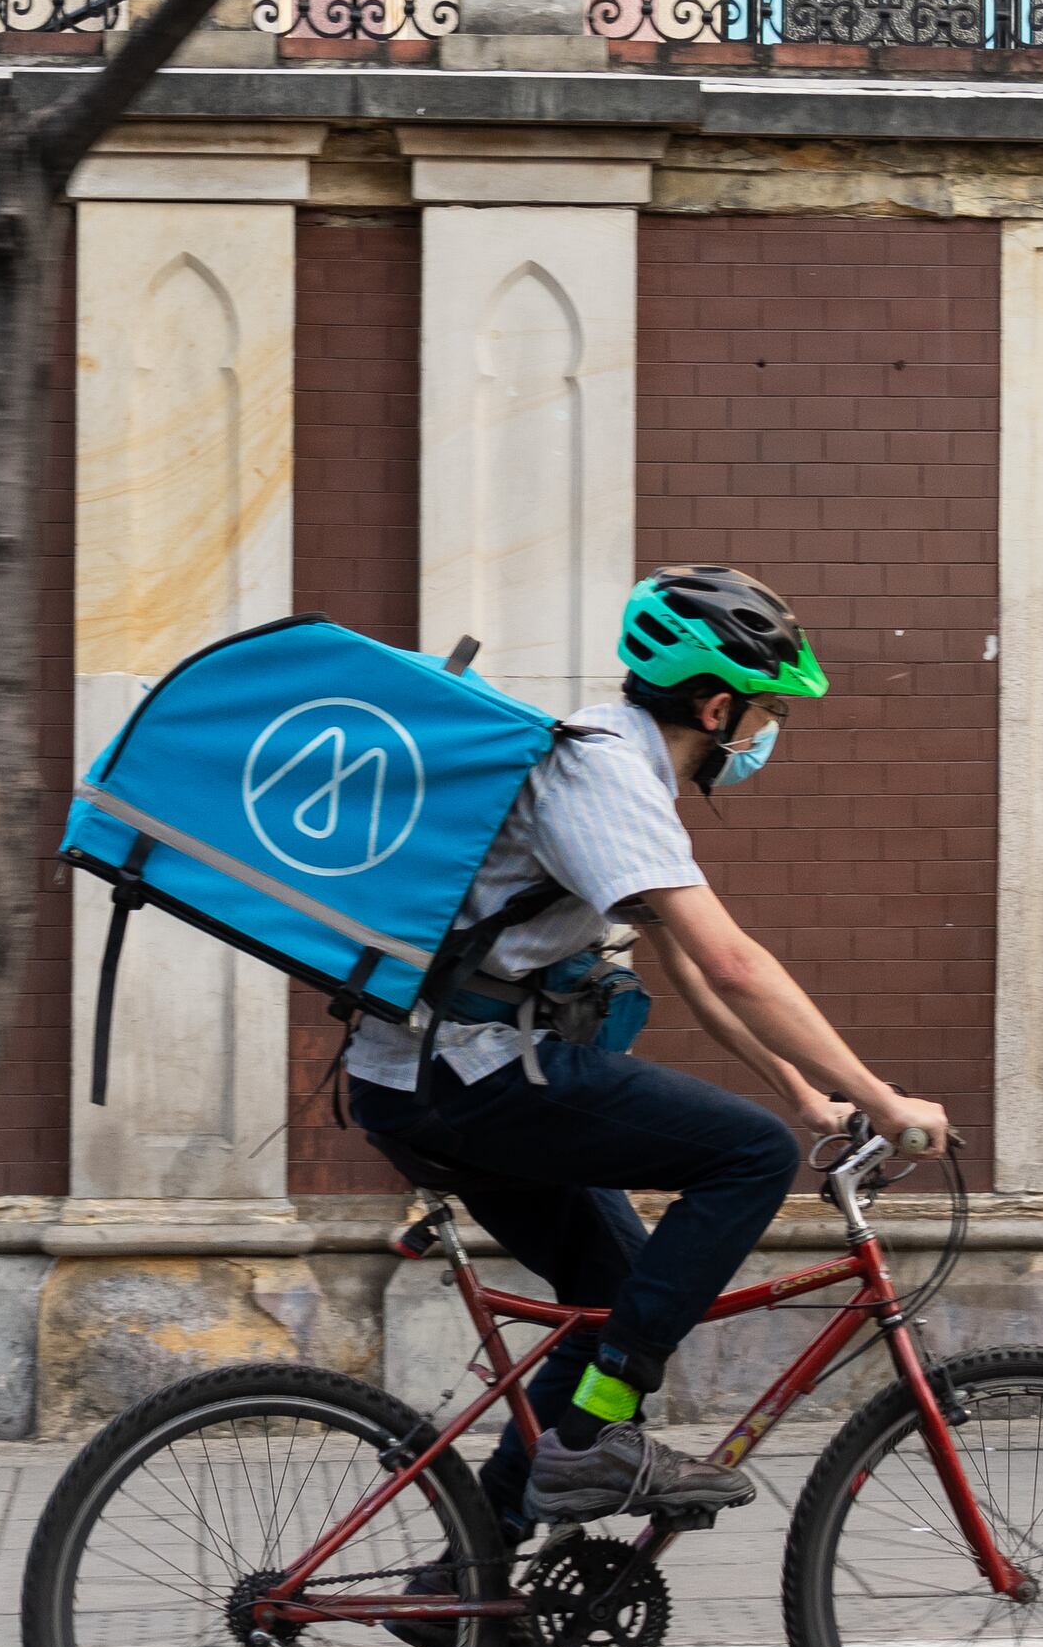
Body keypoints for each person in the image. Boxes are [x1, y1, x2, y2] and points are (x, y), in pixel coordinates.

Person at [344, 565, 956, 1529]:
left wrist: (804, 1094)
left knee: (617, 1290)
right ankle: (590, 1443)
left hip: (437, 1075)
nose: (763, 737)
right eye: (761, 716)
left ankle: (476, 1571)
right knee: (746, 1157)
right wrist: (883, 1098)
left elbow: (697, 979)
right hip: (466, 1073)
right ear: (715, 707)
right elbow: (737, 961)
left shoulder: (617, 772)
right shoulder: (603, 772)